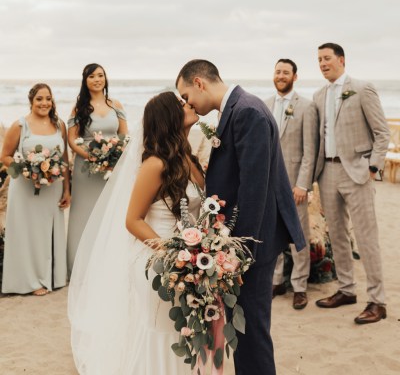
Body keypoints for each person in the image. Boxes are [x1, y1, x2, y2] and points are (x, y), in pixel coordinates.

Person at [176, 59, 305, 375]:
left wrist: (239, 257)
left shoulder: (246, 111)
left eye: (185, 95)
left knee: (252, 333)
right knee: (245, 331)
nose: (186, 103)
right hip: (249, 242)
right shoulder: (236, 108)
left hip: (253, 245)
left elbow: (254, 191)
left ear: (199, 82)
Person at [69, 92, 203, 374]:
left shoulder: (189, 158)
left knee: (183, 330)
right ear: (169, 117)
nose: (188, 104)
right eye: (180, 104)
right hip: (158, 260)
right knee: (163, 329)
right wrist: (170, 253)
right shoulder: (155, 164)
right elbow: (132, 220)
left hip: (188, 259)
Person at [313, 43, 389, 324]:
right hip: (327, 173)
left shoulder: (362, 88)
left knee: (367, 238)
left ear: (341, 60)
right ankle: (346, 290)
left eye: (327, 58)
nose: (322, 63)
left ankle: (377, 301)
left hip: (357, 171)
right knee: (338, 235)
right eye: (319, 59)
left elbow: (382, 132)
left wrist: (372, 167)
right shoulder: (318, 95)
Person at [1, 83, 70, 295]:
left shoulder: (59, 125)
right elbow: (4, 157)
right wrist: (25, 172)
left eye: (48, 98)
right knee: (26, 233)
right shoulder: (20, 126)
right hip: (24, 190)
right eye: (39, 99)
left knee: (46, 232)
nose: (44, 103)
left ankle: (52, 277)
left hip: (52, 189)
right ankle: (29, 282)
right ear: (31, 100)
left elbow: (65, 159)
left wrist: (67, 190)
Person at [265, 58, 318, 310]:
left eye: (286, 72)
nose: (281, 75)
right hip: (269, 184)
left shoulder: (306, 107)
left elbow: (310, 150)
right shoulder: (264, 105)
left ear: (295, 77)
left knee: (299, 237)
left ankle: (299, 286)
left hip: (294, 185)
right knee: (272, 233)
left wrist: (303, 185)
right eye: (278, 71)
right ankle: (277, 281)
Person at [67, 63, 128, 274]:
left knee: (110, 212)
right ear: (85, 80)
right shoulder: (79, 108)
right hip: (86, 168)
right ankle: (78, 265)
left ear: (105, 78)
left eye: (100, 75)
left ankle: (107, 263)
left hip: (111, 168)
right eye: (92, 76)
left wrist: (113, 156)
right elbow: (72, 139)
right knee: (83, 212)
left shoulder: (115, 104)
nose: (97, 79)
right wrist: (90, 155)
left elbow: (124, 136)